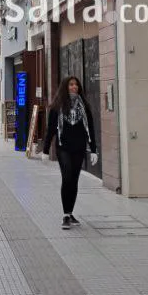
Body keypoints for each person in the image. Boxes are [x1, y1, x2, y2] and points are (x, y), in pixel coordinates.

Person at [42, 76, 98, 230]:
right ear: (65, 87)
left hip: (79, 148)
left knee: (74, 180)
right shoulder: (57, 106)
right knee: (66, 177)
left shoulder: (84, 106)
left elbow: (90, 129)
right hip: (63, 148)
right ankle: (65, 215)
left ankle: (70, 212)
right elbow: (51, 129)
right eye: (71, 84)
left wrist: (93, 149)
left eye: (76, 85)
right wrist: (46, 150)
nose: (74, 87)